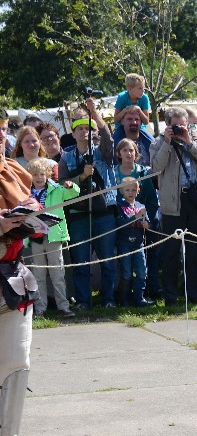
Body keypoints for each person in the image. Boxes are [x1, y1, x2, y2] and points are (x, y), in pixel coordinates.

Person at [0, 149, 45, 436]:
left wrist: (33, 219)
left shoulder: (13, 168)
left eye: (2, 129)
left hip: (11, 274)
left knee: (17, 359)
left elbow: (31, 204)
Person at [57, 98, 119, 309]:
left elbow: (108, 138)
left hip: (104, 212)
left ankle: (109, 299)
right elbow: (61, 186)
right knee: (81, 262)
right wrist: (82, 176)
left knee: (108, 261)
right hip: (78, 214)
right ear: (73, 134)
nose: (85, 132)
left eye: (88, 128)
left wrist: (95, 113)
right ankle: (84, 301)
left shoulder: (103, 152)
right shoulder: (65, 158)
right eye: (80, 129)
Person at [151, 106, 197, 305]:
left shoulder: (196, 138)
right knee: (171, 251)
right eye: (175, 125)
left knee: (195, 251)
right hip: (172, 202)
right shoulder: (159, 141)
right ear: (167, 124)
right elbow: (155, 168)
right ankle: (170, 296)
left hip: (195, 201)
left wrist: (188, 142)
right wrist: (168, 144)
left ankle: (193, 294)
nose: (179, 128)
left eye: (182, 124)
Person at [23, 157, 77, 318]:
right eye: (35, 174)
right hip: (35, 237)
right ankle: (40, 308)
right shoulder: (27, 193)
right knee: (38, 275)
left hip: (53, 236)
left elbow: (73, 193)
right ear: (30, 176)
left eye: (41, 174)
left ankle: (63, 306)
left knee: (57, 273)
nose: (38, 178)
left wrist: (70, 185)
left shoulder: (56, 189)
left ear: (47, 175)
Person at [113, 177, 153, 307]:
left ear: (138, 191)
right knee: (126, 273)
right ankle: (123, 299)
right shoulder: (119, 206)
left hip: (139, 244)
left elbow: (147, 223)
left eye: (133, 190)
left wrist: (146, 223)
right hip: (124, 244)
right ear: (121, 191)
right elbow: (120, 224)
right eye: (127, 190)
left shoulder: (141, 206)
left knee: (142, 272)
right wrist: (135, 217)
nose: (130, 192)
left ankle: (139, 298)